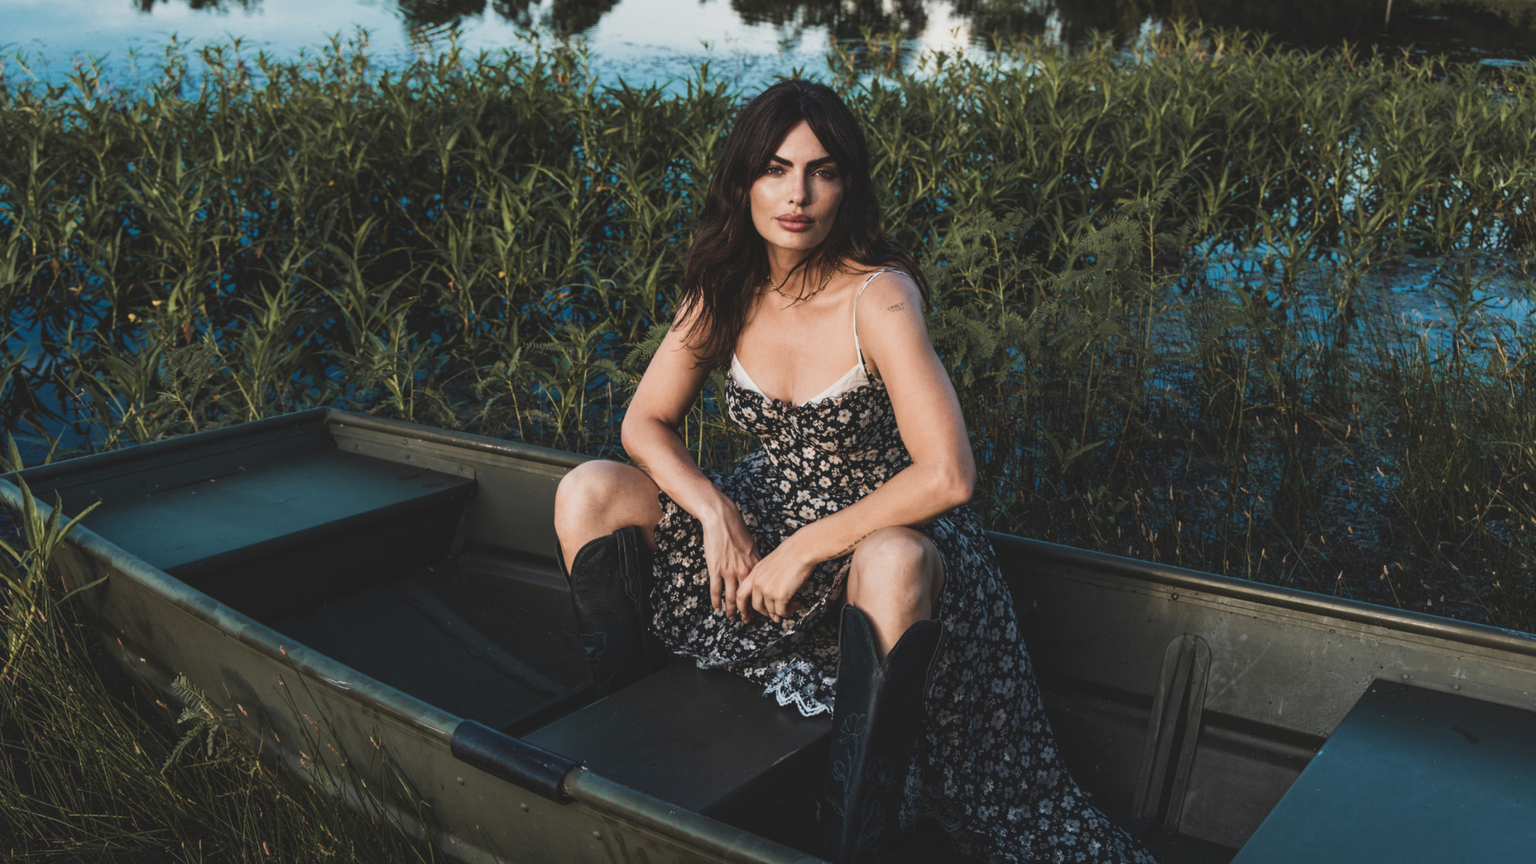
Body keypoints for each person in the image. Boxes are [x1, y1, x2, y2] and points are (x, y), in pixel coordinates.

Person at [553, 79, 1156, 864]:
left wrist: (805, 548)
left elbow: (948, 475)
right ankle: (629, 746)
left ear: (848, 185)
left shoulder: (881, 296)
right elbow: (643, 422)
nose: (796, 194)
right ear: (743, 180)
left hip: (881, 531)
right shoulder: (725, 287)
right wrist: (710, 510)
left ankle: (849, 841)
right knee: (589, 490)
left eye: (822, 171)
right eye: (774, 168)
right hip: (765, 510)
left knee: (895, 556)